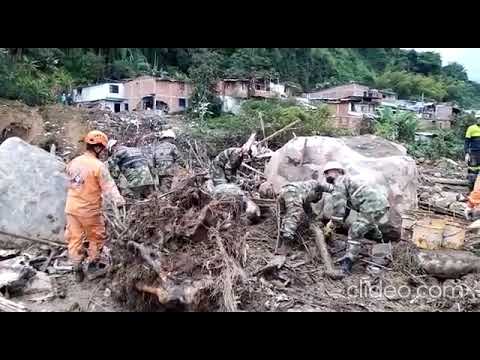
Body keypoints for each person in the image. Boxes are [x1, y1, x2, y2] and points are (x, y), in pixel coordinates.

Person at [65, 130, 125, 282]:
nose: (103, 152)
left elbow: (71, 181)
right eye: (102, 149)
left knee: (75, 238)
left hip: (71, 207)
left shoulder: (73, 162)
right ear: (98, 148)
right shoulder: (98, 166)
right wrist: (119, 201)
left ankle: (77, 268)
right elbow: (109, 187)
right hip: (89, 210)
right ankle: (92, 266)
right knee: (96, 237)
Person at [323, 161, 390, 275]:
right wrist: (339, 220)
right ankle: (382, 249)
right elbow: (347, 207)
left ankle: (348, 262)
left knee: (355, 230)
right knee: (370, 227)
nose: (326, 176)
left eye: (328, 173)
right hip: (377, 204)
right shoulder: (347, 182)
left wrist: (333, 224)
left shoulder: (339, 181)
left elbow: (339, 205)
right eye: (325, 174)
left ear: (336, 171)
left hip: (372, 205)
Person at [277, 179, 334, 251]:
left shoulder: (305, 196)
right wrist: (336, 190)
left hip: (283, 190)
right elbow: (326, 186)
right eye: (313, 200)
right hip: (292, 191)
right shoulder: (314, 185)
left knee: (284, 215)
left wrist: (315, 222)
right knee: (294, 213)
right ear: (316, 193)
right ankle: (286, 241)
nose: (311, 201)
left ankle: (281, 235)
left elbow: (309, 212)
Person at [465, 114, 480, 190]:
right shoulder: (471, 128)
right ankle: (471, 190)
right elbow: (467, 142)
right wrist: (467, 153)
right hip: (474, 153)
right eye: (478, 118)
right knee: (472, 172)